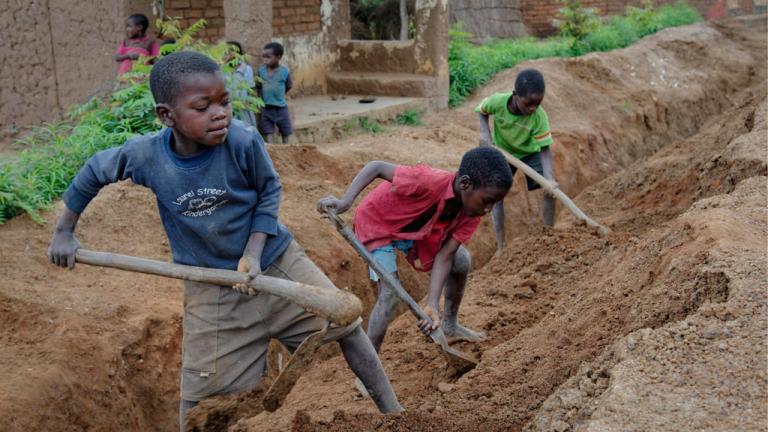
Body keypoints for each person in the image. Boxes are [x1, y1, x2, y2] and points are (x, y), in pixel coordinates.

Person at [46, 51, 402, 431]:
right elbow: (92, 172)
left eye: (225, 101)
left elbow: (268, 191)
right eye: (203, 107)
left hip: (277, 260)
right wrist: (64, 231)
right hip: (212, 288)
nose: (220, 113)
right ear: (167, 116)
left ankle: (395, 416)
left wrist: (253, 252)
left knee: (347, 325)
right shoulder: (145, 156)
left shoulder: (243, 141)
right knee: (201, 399)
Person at [316, 147, 512, 354]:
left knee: (461, 260)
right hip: (377, 225)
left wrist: (432, 304)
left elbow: (446, 256)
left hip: (417, 230)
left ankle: (450, 326)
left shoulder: (471, 214)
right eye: (487, 201)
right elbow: (377, 167)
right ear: (465, 184)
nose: (488, 209)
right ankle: (370, 363)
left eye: (494, 203)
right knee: (390, 293)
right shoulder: (426, 180)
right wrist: (345, 202)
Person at [476, 68, 557, 254]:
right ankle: (501, 245)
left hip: (530, 153)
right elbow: (481, 111)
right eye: (528, 103)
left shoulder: (539, 116)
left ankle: (550, 237)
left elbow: (545, 150)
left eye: (538, 103)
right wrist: (485, 134)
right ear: (515, 96)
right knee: (496, 195)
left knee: (549, 192)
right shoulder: (498, 102)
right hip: (503, 152)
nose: (533, 108)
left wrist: (549, 178)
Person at [256, 42, 293, 144]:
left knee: (285, 130)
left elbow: (289, 85)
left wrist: (280, 94)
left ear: (278, 57)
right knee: (268, 131)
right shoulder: (261, 71)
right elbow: (259, 86)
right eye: (263, 57)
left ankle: (286, 149)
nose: (265, 60)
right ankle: (271, 151)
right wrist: (260, 101)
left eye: (268, 57)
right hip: (266, 108)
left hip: (281, 108)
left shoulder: (284, 71)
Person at [226, 41, 258, 128]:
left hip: (244, 108)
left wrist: (250, 103)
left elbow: (251, 89)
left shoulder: (246, 69)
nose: (226, 55)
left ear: (237, 54)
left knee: (246, 129)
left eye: (229, 52)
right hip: (228, 107)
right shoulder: (222, 71)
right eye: (225, 52)